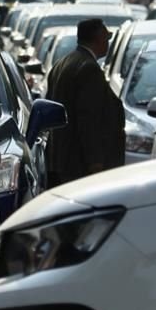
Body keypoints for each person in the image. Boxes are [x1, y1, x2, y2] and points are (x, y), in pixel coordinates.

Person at [45, 18, 125, 187]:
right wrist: (95, 162)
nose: (108, 43)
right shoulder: (89, 69)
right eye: (106, 38)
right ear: (98, 38)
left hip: (60, 161)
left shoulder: (63, 63)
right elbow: (89, 119)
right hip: (79, 165)